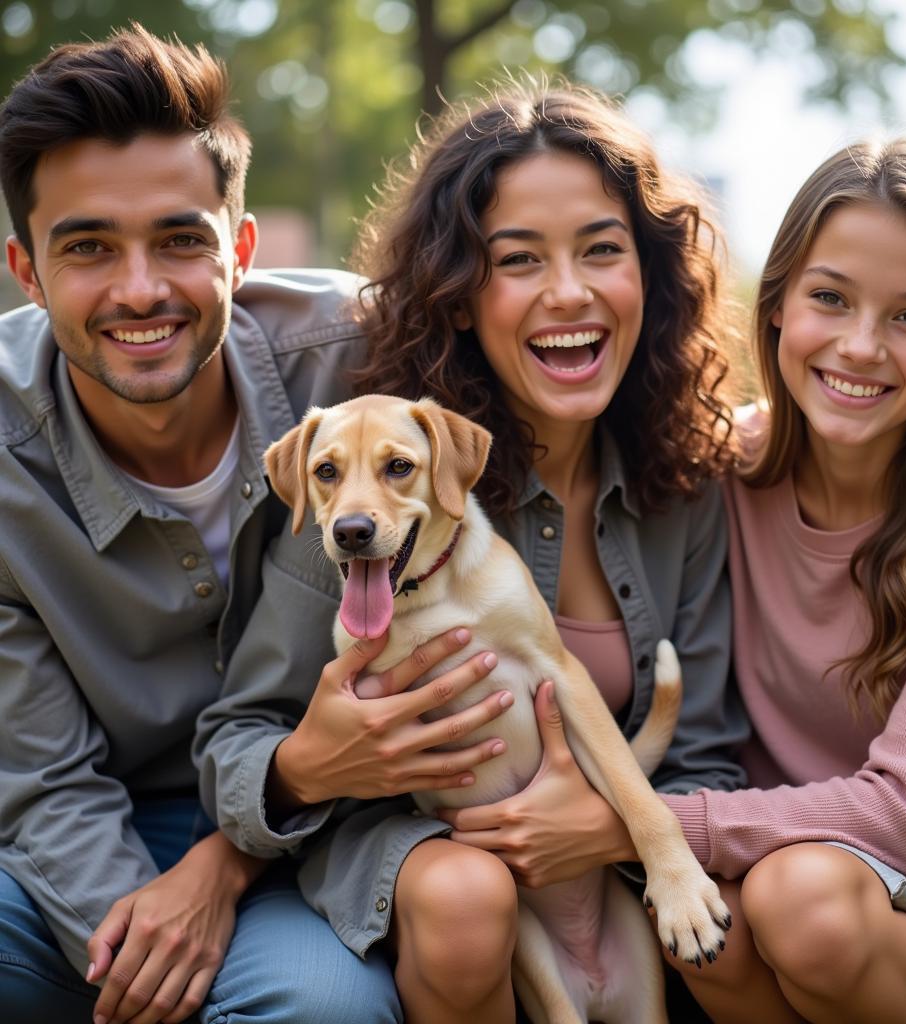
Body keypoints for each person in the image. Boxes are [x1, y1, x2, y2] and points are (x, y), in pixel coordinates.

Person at [195, 81, 749, 1022]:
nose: (566, 292)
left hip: (604, 854)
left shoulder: (685, 482)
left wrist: (606, 830)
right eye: (517, 259)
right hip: (423, 854)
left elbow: (702, 755)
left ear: (650, 277)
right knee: (465, 899)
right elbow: (240, 737)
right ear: (458, 293)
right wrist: (311, 767)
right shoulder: (369, 497)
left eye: (602, 251)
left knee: (746, 941)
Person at [0, 24, 509, 1024]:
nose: (140, 288)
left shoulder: (359, 364)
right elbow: (40, 780)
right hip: (71, 827)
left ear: (238, 247)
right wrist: (154, 933)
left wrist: (754, 432)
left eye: (180, 240)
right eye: (89, 247)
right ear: (26, 268)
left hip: (327, 831)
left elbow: (548, 382)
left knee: (319, 1010)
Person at [662, 140, 906, 1024]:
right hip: (777, 875)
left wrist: (642, 821)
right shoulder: (717, 469)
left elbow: (902, 818)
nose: (861, 347)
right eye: (831, 298)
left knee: (800, 901)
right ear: (779, 303)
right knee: (700, 918)